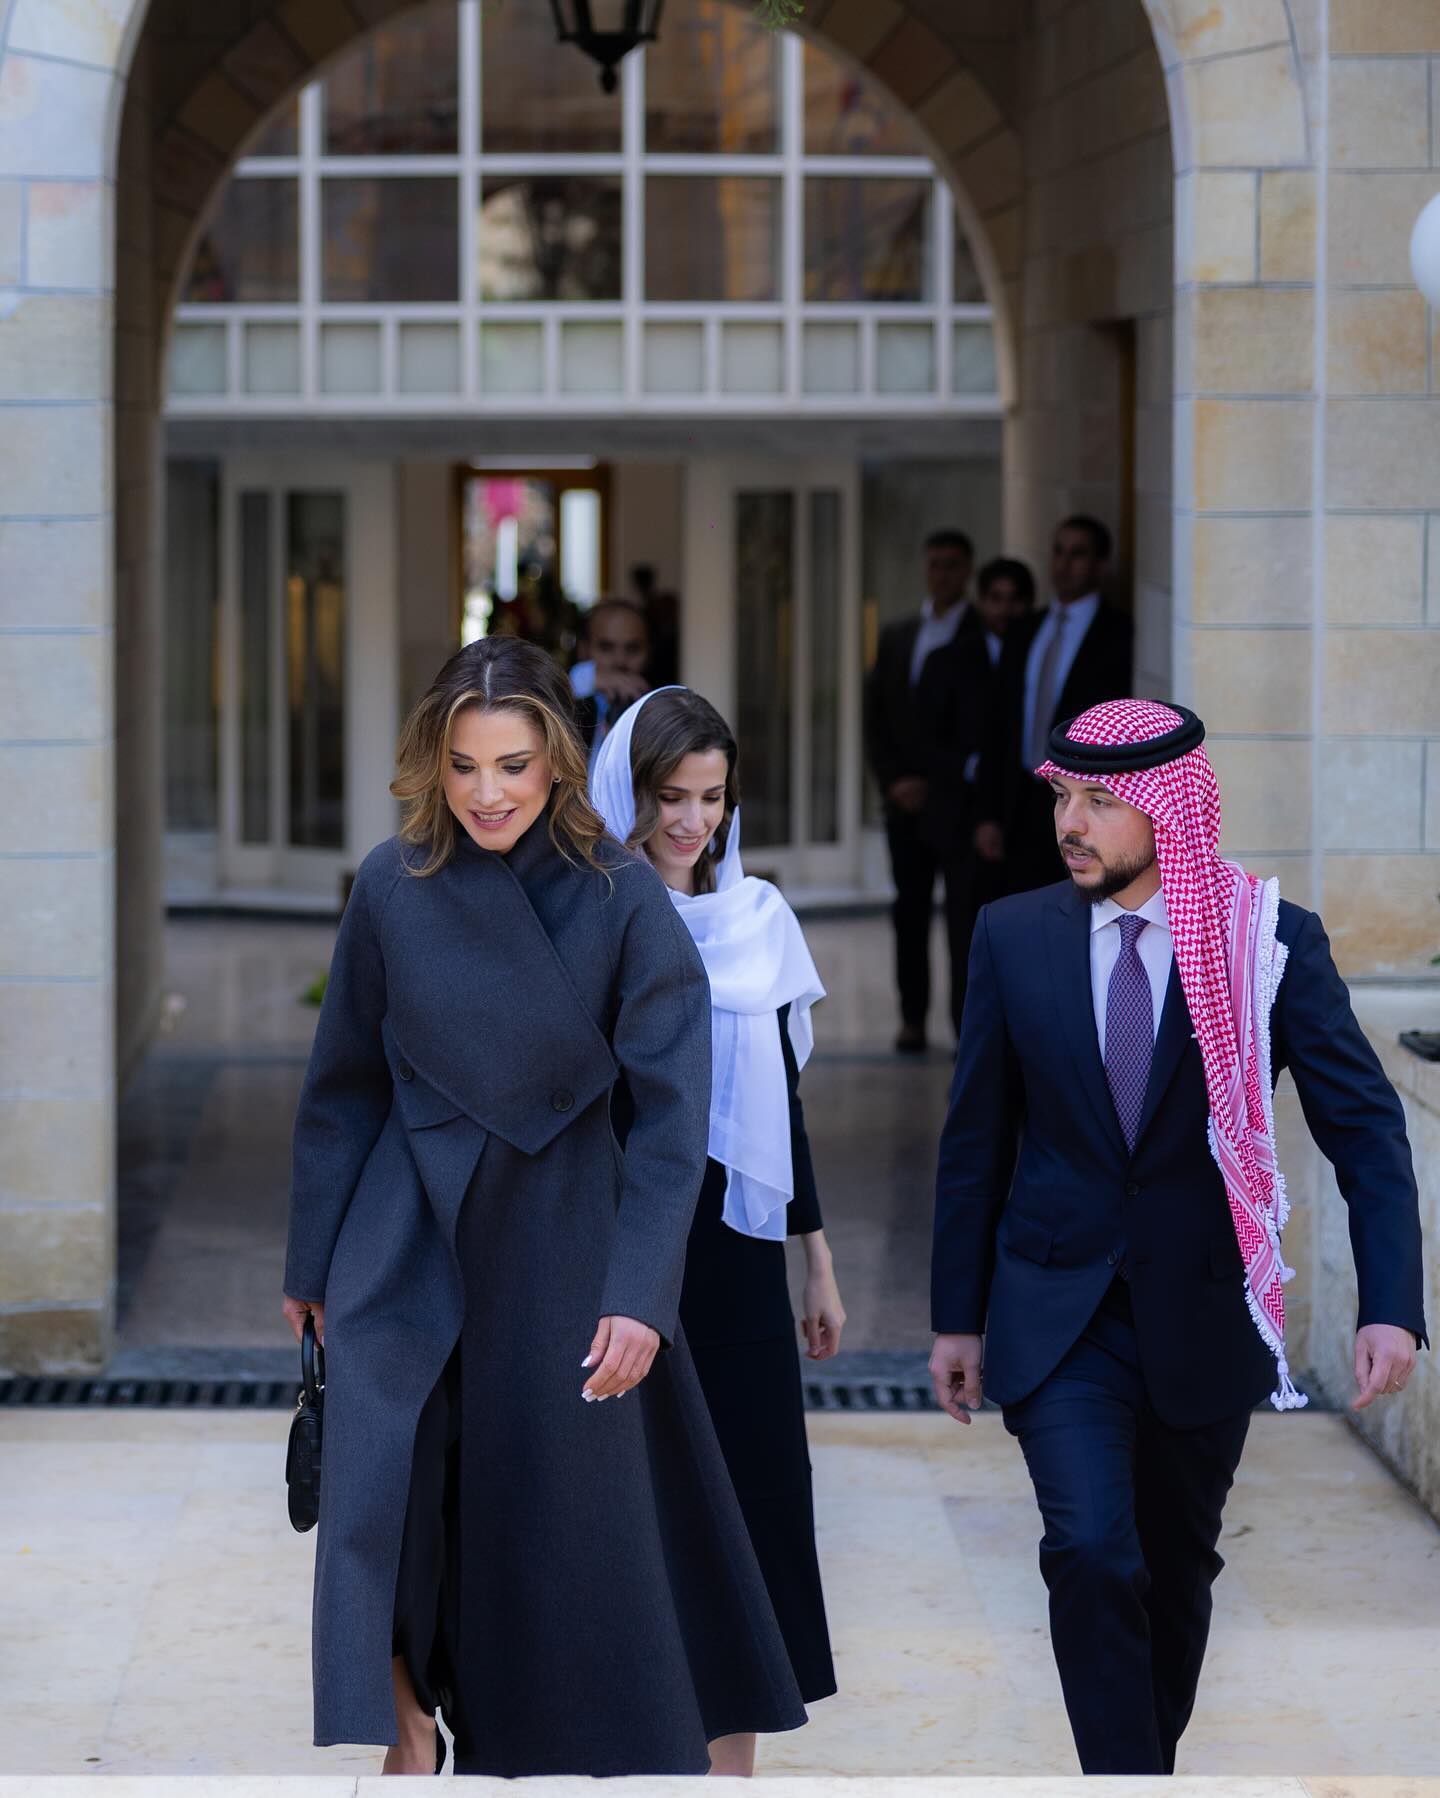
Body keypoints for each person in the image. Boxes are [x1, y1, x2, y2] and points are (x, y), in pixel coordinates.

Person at [282, 637, 806, 1778]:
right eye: (464, 765)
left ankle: (527, 1743)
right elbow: (343, 1087)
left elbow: (672, 1120)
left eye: (513, 766)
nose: (487, 793)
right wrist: (310, 1264)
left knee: (552, 1517)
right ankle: (405, 1717)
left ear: (557, 762)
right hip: (405, 1227)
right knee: (384, 1485)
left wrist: (640, 1292)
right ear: (432, 762)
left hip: (561, 1235)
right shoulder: (391, 883)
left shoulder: (620, 897)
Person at [929, 698, 1426, 1776]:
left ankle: (1139, 1771)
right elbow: (975, 1142)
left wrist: (1390, 1302)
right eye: (1062, 795)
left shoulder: (1268, 943)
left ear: (1170, 809)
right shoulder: (1012, 935)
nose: (1070, 822)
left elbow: (1365, 1126)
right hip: (1057, 1310)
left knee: (1174, 1571)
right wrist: (955, 1318)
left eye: (1099, 801)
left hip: (1202, 1313)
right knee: (1090, 1549)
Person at [590, 686, 845, 1777]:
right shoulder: (591, 915)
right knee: (631, 1514)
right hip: (624, 1253)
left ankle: (728, 1773)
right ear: (627, 793)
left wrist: (815, 1258)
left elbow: (781, 1104)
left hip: (738, 1258)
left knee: (747, 1502)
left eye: (711, 797)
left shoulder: (758, 921)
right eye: (669, 797)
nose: (692, 821)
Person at [863, 528, 989, 1051]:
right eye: (935, 563)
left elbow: (978, 725)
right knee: (909, 913)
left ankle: (963, 1027)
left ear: (968, 571)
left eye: (953, 564)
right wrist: (895, 781)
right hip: (903, 804)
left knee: (963, 918)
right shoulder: (898, 635)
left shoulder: (983, 635)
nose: (942, 573)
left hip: (956, 805)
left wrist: (934, 782)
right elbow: (876, 717)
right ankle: (911, 1018)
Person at [976, 517, 1132, 894]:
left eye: (1077, 554)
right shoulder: (1026, 629)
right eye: (1058, 551)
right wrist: (988, 813)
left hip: (1081, 802)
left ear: (1100, 565)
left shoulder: (1118, 634)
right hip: (1018, 802)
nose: (1064, 564)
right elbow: (998, 725)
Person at [570, 597, 651, 763]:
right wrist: (583, 679)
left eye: (633, 649)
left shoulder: (660, 709)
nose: (620, 661)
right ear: (583, 649)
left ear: (649, 652)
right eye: (606, 648)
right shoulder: (569, 696)